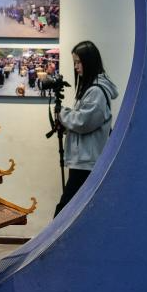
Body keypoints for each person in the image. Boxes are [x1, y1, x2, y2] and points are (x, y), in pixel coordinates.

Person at [54, 40, 118, 217]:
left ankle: (56, 236)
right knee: (74, 211)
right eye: (74, 62)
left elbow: (83, 122)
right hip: (84, 160)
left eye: (78, 62)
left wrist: (62, 114)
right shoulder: (91, 88)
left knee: (64, 211)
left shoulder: (96, 91)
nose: (76, 67)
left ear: (89, 61)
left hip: (87, 162)